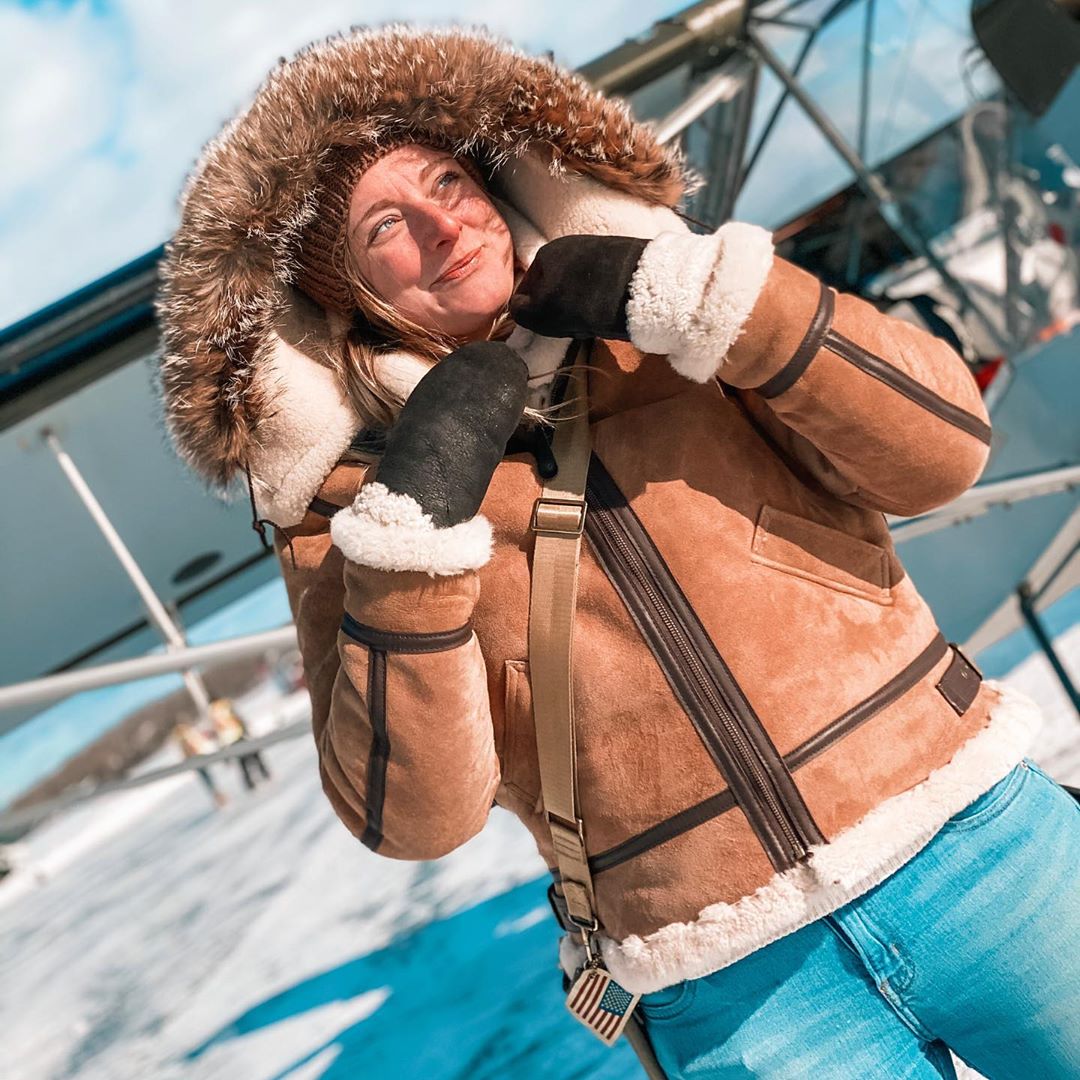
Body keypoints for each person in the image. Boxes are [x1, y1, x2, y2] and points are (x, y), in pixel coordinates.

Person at [155, 25, 1080, 1079]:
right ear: (345, 302)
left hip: (979, 843)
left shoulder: (679, 322)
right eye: (384, 231)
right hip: (732, 987)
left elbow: (943, 451)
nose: (440, 224)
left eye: (448, 181)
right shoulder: (348, 517)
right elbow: (414, 817)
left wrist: (717, 304)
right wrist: (408, 544)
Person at [208, 698, 272, 791]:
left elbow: (219, 730)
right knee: (252, 755)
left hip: (231, 739)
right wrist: (245, 729)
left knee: (244, 760)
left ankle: (252, 781)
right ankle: (263, 774)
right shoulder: (224, 706)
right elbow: (235, 719)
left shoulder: (214, 712)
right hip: (237, 735)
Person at [172, 720, 228, 810]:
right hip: (196, 761)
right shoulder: (185, 741)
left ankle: (220, 797)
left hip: (198, 759)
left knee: (209, 780)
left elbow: (196, 746)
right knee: (208, 781)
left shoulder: (188, 738)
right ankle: (219, 798)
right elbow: (188, 751)